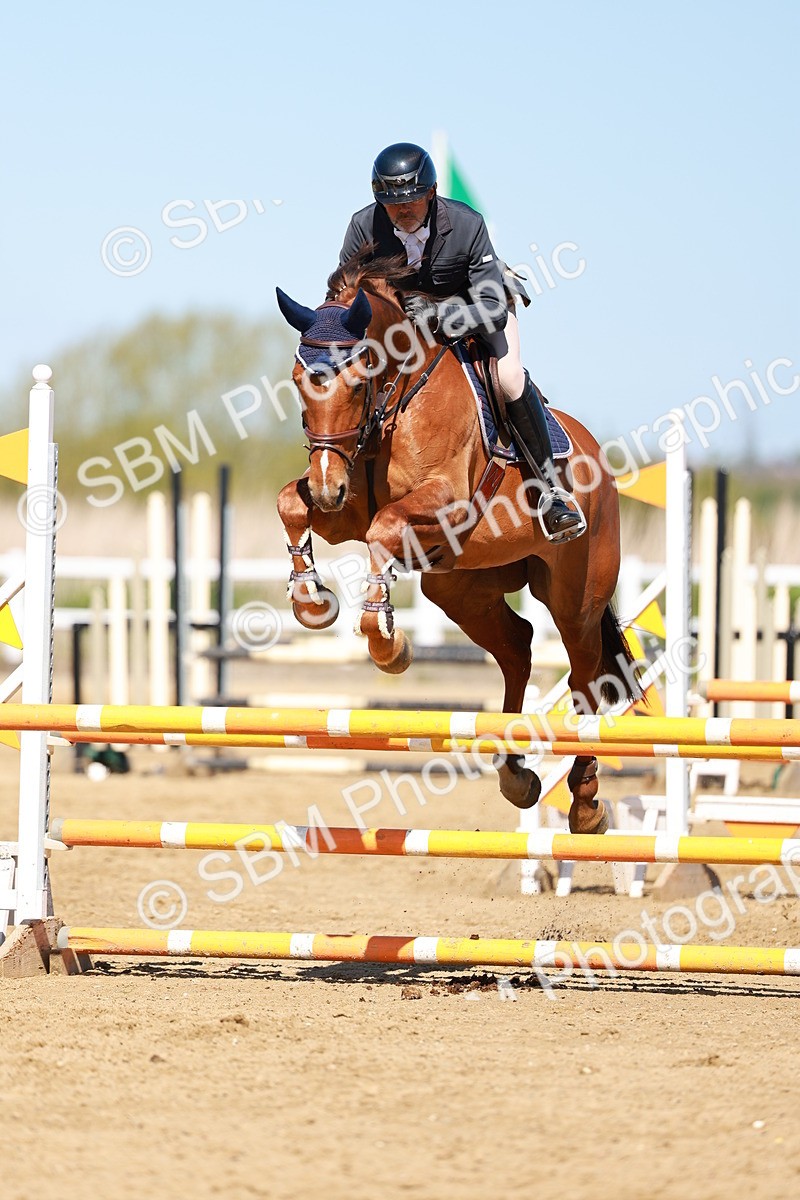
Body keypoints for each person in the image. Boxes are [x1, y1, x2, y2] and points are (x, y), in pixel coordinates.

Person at [338, 141, 584, 541]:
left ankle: (551, 493)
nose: (403, 210)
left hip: (476, 312)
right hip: (406, 333)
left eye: (413, 200)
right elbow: (347, 293)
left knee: (507, 378)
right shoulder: (363, 226)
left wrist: (439, 315)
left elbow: (492, 307)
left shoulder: (467, 224)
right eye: (393, 203)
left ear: (432, 192)